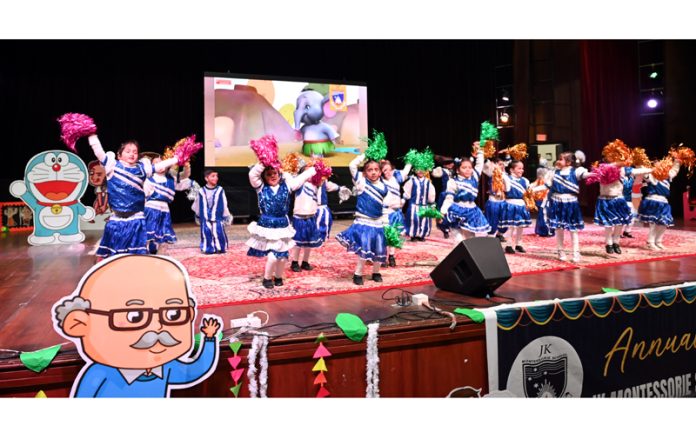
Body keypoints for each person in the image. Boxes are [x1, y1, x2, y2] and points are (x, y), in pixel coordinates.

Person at [52, 254, 222, 397]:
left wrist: (209, 339)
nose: (157, 328)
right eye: (135, 316)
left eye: (173, 314)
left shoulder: (164, 368)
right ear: (79, 323)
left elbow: (193, 371)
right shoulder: (99, 375)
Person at [87, 135, 179, 259]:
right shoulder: (112, 166)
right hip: (117, 220)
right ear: (119, 155)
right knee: (115, 254)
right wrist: (92, 136)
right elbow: (99, 152)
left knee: (135, 254)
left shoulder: (142, 169)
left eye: (135, 152)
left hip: (136, 219)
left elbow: (159, 166)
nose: (132, 154)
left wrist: (177, 158)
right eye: (128, 151)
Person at [247, 162, 316, 289]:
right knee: (273, 257)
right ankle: (267, 278)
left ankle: (278, 277)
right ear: (264, 177)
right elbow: (253, 174)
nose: (273, 176)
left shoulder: (287, 185)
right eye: (269, 174)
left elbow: (299, 180)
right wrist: (264, 161)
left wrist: (314, 169)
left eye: (275, 173)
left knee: (283, 256)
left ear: (280, 174)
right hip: (267, 226)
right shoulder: (261, 187)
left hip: (283, 226)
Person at [336, 154, 388, 285]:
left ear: (380, 172)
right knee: (364, 249)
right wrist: (366, 154)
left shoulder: (383, 186)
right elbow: (352, 165)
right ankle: (358, 274)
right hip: (364, 222)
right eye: (369, 170)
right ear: (364, 173)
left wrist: (386, 221)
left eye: (376, 169)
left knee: (379, 248)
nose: (373, 172)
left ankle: (376, 272)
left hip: (378, 222)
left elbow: (384, 206)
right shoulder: (362, 182)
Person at [588, 162, 651, 254]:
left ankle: (616, 243)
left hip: (618, 200)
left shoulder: (624, 170)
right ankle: (608, 243)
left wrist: (653, 169)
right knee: (608, 224)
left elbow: (638, 171)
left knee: (620, 223)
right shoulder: (603, 168)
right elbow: (591, 175)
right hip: (605, 200)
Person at [543, 150, 592, 262]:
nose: (558, 161)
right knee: (559, 229)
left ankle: (576, 253)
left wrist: (593, 174)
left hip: (571, 203)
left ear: (569, 162)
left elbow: (584, 175)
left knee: (573, 229)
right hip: (557, 202)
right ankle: (561, 251)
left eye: (561, 159)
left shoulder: (575, 171)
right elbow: (547, 186)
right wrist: (533, 190)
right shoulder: (554, 173)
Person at [440, 144, 490, 242]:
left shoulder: (474, 177)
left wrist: (480, 150)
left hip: (472, 210)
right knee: (458, 238)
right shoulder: (453, 181)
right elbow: (449, 198)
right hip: (457, 209)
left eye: (470, 167)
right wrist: (443, 211)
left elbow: (479, 164)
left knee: (471, 238)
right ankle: (459, 254)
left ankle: (468, 256)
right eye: (464, 167)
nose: (468, 170)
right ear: (458, 170)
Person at [144, 157, 193, 254]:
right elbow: (143, 195)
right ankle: (146, 252)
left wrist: (187, 166)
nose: (161, 165)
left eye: (162, 163)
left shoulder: (171, 179)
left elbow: (184, 176)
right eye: (157, 163)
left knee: (164, 233)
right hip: (151, 209)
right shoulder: (149, 180)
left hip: (165, 209)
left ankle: (161, 254)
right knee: (149, 233)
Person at [638, 158, 681, 250]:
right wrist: (640, 161)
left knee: (664, 223)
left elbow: (675, 170)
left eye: (660, 163)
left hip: (664, 202)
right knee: (654, 224)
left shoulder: (668, 175)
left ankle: (658, 241)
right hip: (653, 201)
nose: (659, 165)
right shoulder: (651, 175)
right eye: (656, 164)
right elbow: (643, 172)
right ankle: (650, 242)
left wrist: (677, 161)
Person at [380, 159, 411, 266]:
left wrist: (411, 159)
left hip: (396, 213)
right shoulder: (380, 181)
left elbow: (407, 169)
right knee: (385, 236)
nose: (387, 172)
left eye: (388, 170)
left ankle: (391, 256)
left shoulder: (397, 177)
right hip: (385, 212)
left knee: (394, 235)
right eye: (384, 171)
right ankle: (382, 256)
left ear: (392, 169)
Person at [194, 170, 232, 254]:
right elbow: (197, 203)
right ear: (206, 178)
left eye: (216, 176)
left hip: (217, 216)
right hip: (205, 216)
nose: (216, 178)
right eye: (213, 176)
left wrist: (226, 215)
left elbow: (224, 202)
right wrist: (198, 214)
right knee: (207, 231)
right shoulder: (201, 191)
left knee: (218, 231)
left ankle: (220, 247)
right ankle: (208, 248)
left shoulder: (220, 190)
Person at [498, 160, 532, 253]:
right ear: (512, 170)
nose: (521, 170)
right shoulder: (507, 179)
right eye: (519, 168)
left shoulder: (525, 180)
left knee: (521, 226)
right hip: (510, 204)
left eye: (522, 168)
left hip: (521, 204)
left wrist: (528, 203)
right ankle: (508, 245)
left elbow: (528, 194)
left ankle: (518, 244)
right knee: (511, 226)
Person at [483, 156, 509, 242]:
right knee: (492, 219)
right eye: (499, 164)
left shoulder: (505, 175)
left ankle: (500, 234)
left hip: (503, 200)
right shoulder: (491, 173)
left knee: (504, 219)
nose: (501, 166)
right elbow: (485, 166)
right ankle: (490, 236)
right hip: (493, 201)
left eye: (502, 164)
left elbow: (508, 188)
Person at [431, 157, 455, 238]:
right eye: (450, 163)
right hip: (444, 194)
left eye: (452, 163)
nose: (452, 164)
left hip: (453, 194)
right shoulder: (442, 170)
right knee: (442, 211)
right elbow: (434, 174)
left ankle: (451, 226)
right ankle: (445, 229)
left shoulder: (454, 172)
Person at [530, 167, 554, 237]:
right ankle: (544, 231)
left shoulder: (548, 181)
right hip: (543, 199)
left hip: (547, 199)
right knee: (543, 214)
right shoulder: (541, 180)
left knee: (545, 214)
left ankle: (548, 231)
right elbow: (534, 186)